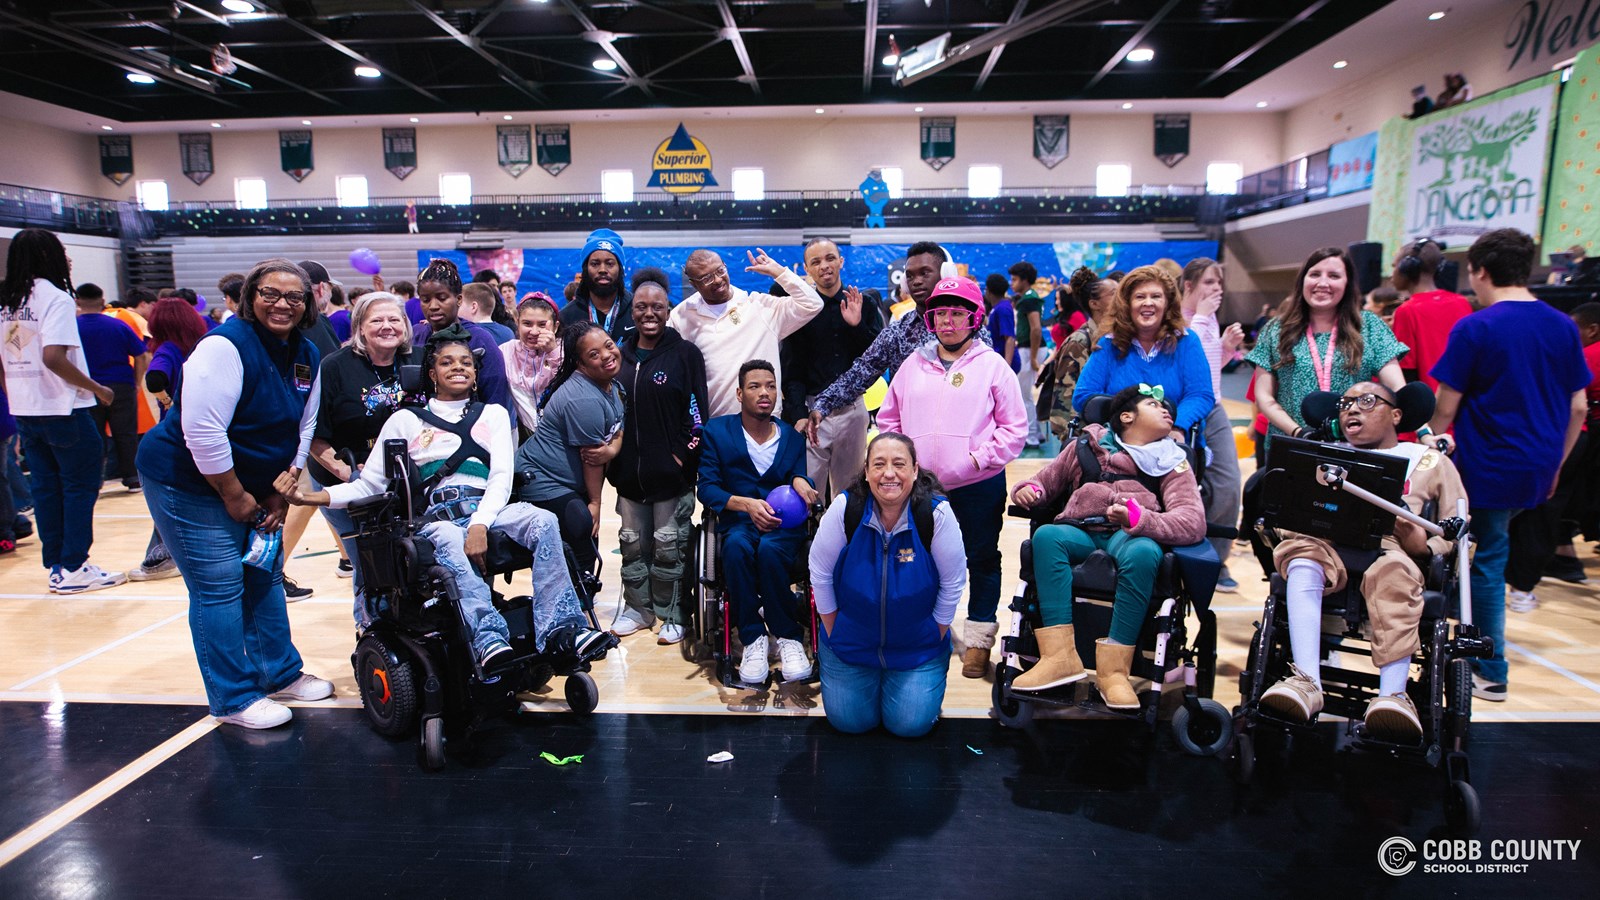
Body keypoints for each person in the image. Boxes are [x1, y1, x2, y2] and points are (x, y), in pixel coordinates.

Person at [280, 325, 610, 667]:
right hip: (439, 516)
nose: (458, 367)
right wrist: (310, 499)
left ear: (476, 373)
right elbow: (369, 486)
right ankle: (487, 637)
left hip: (489, 507)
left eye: (466, 362)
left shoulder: (493, 415)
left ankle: (562, 630)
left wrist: (480, 524)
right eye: (447, 362)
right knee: (450, 536)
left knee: (542, 520)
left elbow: (500, 477)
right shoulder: (406, 420)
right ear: (431, 373)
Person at [136, 258, 333, 729]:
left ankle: (279, 673)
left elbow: (304, 426)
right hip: (188, 482)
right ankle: (233, 698)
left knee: (264, 574)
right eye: (270, 294)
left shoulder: (304, 351)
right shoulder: (224, 345)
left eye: (294, 296)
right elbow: (202, 431)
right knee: (220, 585)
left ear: (308, 304)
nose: (282, 304)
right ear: (250, 298)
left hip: (256, 483)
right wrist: (234, 495)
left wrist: (280, 488)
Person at [1427, 229, 1591, 701]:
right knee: (1489, 554)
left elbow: (1446, 409)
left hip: (1488, 466)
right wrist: (1555, 463)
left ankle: (1488, 668)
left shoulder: (1476, 327)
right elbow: (1577, 407)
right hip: (1540, 465)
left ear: (1479, 271)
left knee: (1484, 561)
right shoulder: (1562, 325)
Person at [1259, 382, 1467, 744]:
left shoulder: (1429, 460)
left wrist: (1425, 545)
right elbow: (1282, 514)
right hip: (1324, 540)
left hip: (1392, 549)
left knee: (1396, 572)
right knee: (1301, 558)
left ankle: (1392, 696)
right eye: (1345, 404)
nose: (1352, 410)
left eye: (1367, 402)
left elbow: (1456, 532)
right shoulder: (1322, 456)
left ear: (1396, 414)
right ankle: (1306, 680)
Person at [1009, 384, 1207, 707]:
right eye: (1154, 404)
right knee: (1045, 537)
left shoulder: (1173, 460)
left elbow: (1192, 521)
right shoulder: (1085, 445)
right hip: (1081, 531)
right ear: (1127, 416)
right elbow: (1045, 480)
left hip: (1130, 536)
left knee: (1145, 553)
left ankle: (1113, 672)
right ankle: (1059, 657)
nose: (1166, 409)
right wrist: (1027, 489)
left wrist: (1141, 519)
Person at [876, 276, 1028, 679]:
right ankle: (925, 631)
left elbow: (1014, 429)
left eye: (956, 314)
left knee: (981, 559)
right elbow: (889, 419)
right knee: (917, 561)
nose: (947, 321)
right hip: (921, 489)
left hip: (979, 485)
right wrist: (904, 465)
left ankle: (978, 641)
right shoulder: (912, 365)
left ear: (973, 318)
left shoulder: (993, 367)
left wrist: (977, 461)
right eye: (940, 313)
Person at [809, 432, 966, 738]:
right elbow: (819, 571)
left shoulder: (934, 514)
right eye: (878, 464)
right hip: (850, 646)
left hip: (917, 649)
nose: (889, 474)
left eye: (899, 464)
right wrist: (832, 627)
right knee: (850, 723)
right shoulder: (846, 509)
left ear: (915, 470)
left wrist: (938, 630)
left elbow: (953, 581)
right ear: (866, 472)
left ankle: (912, 684)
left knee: (909, 726)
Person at [0, 229, 123, 593]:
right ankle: (74, 566)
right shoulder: (55, 297)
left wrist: (17, 394)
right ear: (48, 256)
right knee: (80, 487)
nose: (67, 258)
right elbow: (52, 356)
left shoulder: (7, 299)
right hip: (64, 408)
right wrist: (96, 388)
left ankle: (57, 565)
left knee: (46, 490)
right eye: (63, 252)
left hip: (28, 410)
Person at [697, 360, 819, 684]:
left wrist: (801, 481)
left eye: (770, 386)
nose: (764, 393)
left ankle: (789, 638)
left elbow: (798, 474)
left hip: (782, 525)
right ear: (739, 393)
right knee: (736, 548)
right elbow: (707, 488)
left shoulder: (792, 439)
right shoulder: (717, 432)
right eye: (754, 386)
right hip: (738, 521)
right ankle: (753, 638)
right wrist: (746, 504)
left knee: (770, 551)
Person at [609, 269, 709, 643]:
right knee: (632, 542)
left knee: (671, 546)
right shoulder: (618, 354)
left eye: (657, 307)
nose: (648, 313)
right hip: (628, 477)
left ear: (669, 310)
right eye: (641, 307)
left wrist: (683, 457)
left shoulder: (685, 354)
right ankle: (638, 609)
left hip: (671, 475)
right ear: (631, 309)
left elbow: (698, 415)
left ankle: (673, 613)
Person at [806, 241, 991, 435]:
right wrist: (823, 404)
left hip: (968, 439)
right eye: (910, 276)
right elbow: (862, 371)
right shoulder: (899, 332)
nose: (916, 281)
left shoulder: (971, 328)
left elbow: (991, 388)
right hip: (916, 442)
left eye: (925, 273)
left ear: (946, 275)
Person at [305, 291, 413, 623]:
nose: (387, 326)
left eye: (394, 319)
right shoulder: (335, 367)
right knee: (371, 563)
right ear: (360, 328)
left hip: (407, 481)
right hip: (348, 479)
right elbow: (313, 436)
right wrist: (348, 474)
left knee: (408, 561)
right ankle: (370, 633)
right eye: (376, 320)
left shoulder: (419, 360)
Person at [1248, 248, 1407, 439]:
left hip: (1354, 443)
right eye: (1315, 274)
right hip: (1291, 442)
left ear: (1347, 283)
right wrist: (1299, 432)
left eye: (1333, 276)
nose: (1323, 283)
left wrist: (1424, 431)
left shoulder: (1369, 327)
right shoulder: (1276, 329)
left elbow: (1397, 388)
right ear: (1302, 281)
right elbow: (1264, 396)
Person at [514, 321, 624, 580]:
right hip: (541, 477)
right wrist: (595, 503)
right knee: (581, 522)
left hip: (570, 481)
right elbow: (591, 458)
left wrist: (613, 451)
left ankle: (581, 599)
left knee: (586, 537)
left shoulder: (614, 385)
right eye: (594, 355)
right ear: (581, 365)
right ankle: (567, 600)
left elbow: (618, 430)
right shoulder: (583, 398)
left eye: (608, 345)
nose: (606, 355)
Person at [780, 238, 884, 495]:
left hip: (853, 409)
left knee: (850, 493)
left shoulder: (864, 303)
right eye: (815, 261)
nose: (824, 265)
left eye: (829, 258)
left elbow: (877, 359)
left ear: (841, 261)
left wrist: (856, 325)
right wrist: (798, 414)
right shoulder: (802, 310)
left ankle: (849, 535)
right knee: (807, 492)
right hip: (812, 411)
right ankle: (810, 537)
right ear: (806, 268)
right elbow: (791, 368)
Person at [669, 247, 823, 418]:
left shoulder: (760, 307)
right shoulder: (682, 316)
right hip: (715, 424)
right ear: (693, 284)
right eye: (706, 278)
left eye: (720, 270)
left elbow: (813, 304)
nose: (718, 280)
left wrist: (779, 273)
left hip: (766, 421)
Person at [1073, 265, 1215, 441]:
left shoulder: (1187, 341)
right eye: (1140, 297)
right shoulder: (1108, 343)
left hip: (1172, 437)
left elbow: (1200, 394)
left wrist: (1176, 426)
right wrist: (1134, 422)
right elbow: (1084, 395)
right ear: (1127, 304)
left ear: (1167, 303)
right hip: (1119, 440)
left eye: (1156, 296)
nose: (1148, 302)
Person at [128, 297, 210, 582]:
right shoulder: (197, 345)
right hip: (201, 427)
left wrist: (168, 403)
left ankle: (160, 556)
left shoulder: (167, 349)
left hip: (175, 432)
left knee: (169, 495)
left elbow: (154, 377)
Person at [1178, 257, 1245, 592]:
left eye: (1219, 283)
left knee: (1229, 485)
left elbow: (1209, 367)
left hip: (1214, 409)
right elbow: (1189, 360)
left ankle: (1216, 562)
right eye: (1209, 282)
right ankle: (1182, 554)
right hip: (1181, 409)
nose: (1217, 289)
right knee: (1183, 487)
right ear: (1189, 285)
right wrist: (1202, 318)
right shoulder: (1179, 318)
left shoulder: (1210, 319)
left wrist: (1227, 349)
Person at [75, 282, 150, 493]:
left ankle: (94, 480)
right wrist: (136, 382)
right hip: (121, 385)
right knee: (126, 433)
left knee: (93, 436)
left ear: (78, 301)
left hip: (87, 387)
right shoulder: (118, 325)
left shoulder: (72, 326)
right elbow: (141, 355)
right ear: (102, 301)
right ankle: (133, 478)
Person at [411, 258, 512, 414]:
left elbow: (496, 396)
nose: (433, 306)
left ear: (458, 299)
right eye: (426, 300)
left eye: (442, 298)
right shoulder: (416, 335)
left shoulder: (479, 339)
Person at [1389, 239, 1470, 391]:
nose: (1392, 275)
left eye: (1394, 267)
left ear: (1407, 269)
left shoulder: (1407, 311)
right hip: (1460, 401)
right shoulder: (1462, 302)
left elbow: (1406, 371)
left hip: (1428, 404)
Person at [1046, 267, 1116, 440]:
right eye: (1114, 293)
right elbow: (1062, 406)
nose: (1122, 298)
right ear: (1094, 304)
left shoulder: (1117, 338)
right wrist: (1075, 445)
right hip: (1088, 440)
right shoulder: (1079, 342)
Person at [500, 292, 562, 436]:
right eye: (527, 323)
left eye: (542, 324)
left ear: (555, 327)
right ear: (517, 322)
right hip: (526, 434)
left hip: (563, 434)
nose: (534, 332)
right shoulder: (506, 351)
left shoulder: (567, 351)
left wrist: (553, 353)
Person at [560, 228, 635, 341]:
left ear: (620, 269)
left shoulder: (637, 311)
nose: (602, 270)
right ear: (585, 270)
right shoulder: (566, 317)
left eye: (610, 264)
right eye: (595, 264)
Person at [1010, 261, 1046, 447]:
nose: (1012, 283)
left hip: (1030, 349)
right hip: (1029, 348)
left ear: (1025, 280)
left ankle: (1030, 436)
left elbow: (1036, 329)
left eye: (1015, 279)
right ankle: (1037, 433)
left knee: (1024, 395)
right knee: (1025, 394)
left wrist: (1032, 357)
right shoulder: (1027, 297)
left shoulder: (1029, 299)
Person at [984, 273, 1018, 374]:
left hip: (1005, 362)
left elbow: (1009, 338)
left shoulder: (1003, 308)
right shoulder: (997, 307)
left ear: (988, 291)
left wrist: (1006, 367)